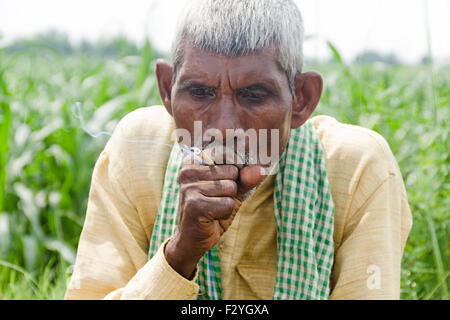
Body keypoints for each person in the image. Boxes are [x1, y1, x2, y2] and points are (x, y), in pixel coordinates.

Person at [64, 0, 412, 300]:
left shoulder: (357, 168)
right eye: (199, 93)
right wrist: (180, 254)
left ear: (301, 99)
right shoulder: (137, 151)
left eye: (254, 95)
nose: (223, 127)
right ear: (167, 90)